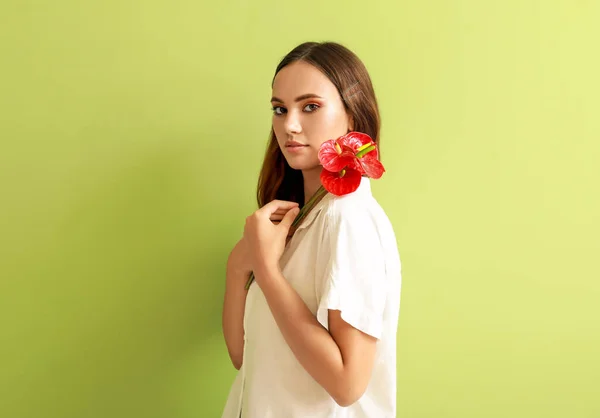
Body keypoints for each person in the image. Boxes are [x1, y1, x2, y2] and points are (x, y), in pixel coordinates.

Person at [221, 41, 402, 418]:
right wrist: (239, 266)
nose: (289, 124)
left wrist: (268, 274)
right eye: (279, 109)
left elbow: (347, 384)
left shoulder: (348, 220)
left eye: (310, 107)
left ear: (353, 115)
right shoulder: (295, 222)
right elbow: (244, 357)